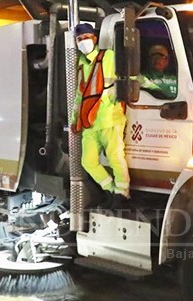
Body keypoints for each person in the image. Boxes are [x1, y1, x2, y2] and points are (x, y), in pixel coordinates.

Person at [70, 22, 130, 209]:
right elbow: (80, 95)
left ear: (95, 38)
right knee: (88, 162)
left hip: (110, 118)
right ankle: (111, 191)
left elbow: (128, 78)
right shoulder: (82, 63)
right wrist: (74, 119)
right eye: (79, 39)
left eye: (86, 37)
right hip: (89, 122)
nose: (83, 42)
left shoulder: (109, 56)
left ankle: (122, 193)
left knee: (115, 158)